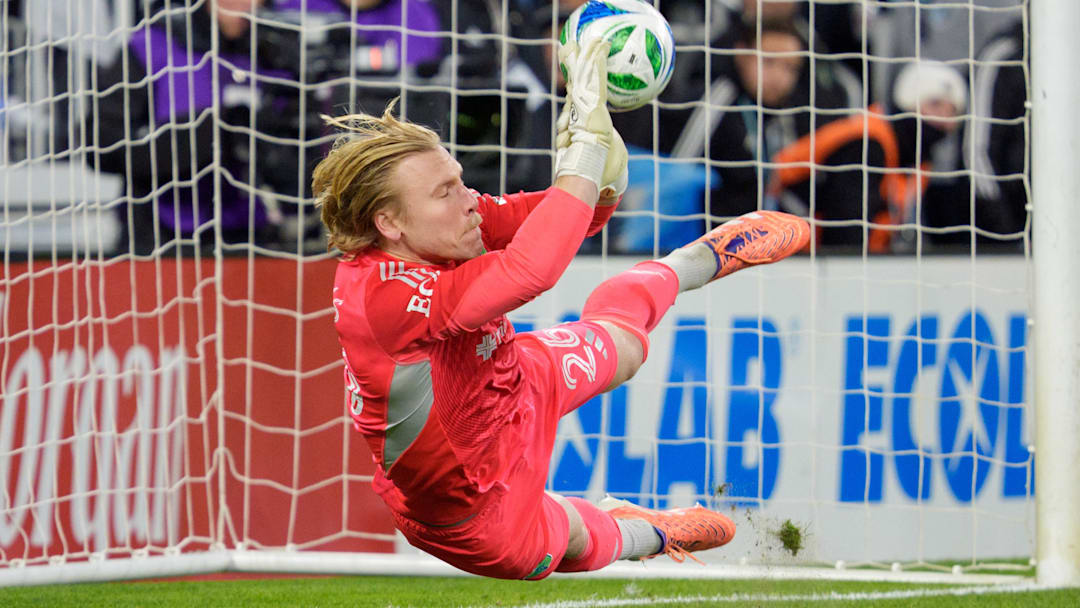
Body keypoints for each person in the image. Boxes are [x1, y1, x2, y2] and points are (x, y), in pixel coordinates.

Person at [316, 38, 810, 580]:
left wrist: (601, 174)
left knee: (624, 349)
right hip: (474, 511)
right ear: (390, 224)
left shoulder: (448, 222)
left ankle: (702, 257)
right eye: (445, 192)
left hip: (512, 379)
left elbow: (569, 221)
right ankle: (648, 532)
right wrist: (584, 160)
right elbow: (530, 271)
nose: (468, 200)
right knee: (570, 537)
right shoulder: (381, 297)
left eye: (460, 181)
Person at [91, 0, 277, 254]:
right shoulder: (152, 45)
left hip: (245, 234)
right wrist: (200, 139)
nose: (251, 6)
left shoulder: (271, 53)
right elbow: (102, 144)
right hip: (159, 236)